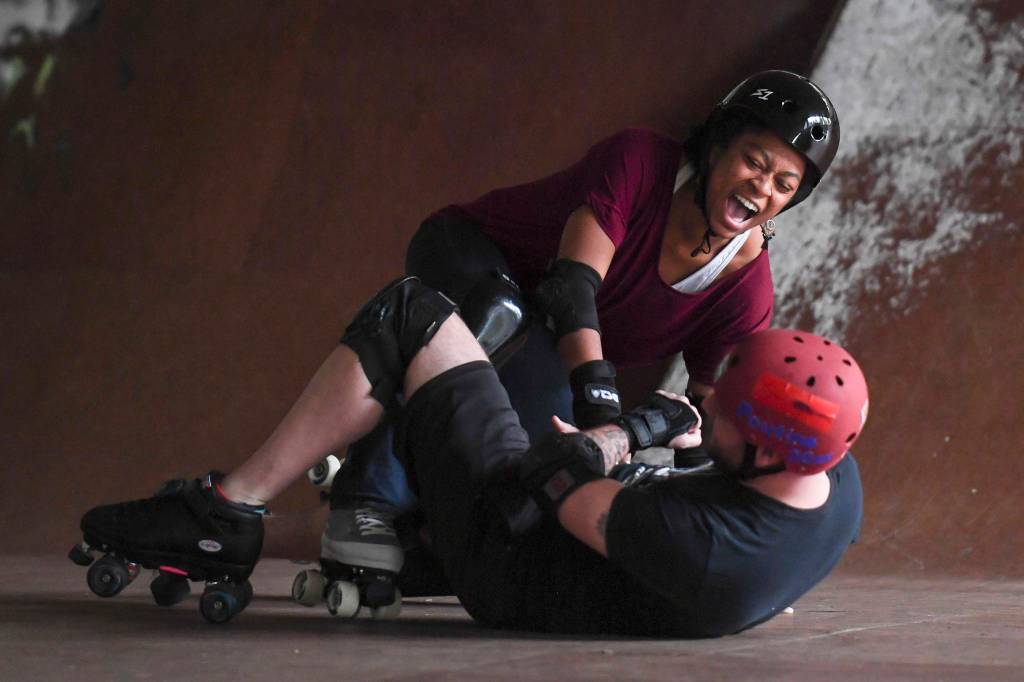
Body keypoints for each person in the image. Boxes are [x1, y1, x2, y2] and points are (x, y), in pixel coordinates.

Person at [70, 276, 867, 636]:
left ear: (768, 453)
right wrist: (685, 452)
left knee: (414, 314)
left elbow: (551, 479)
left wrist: (639, 428)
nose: (708, 403)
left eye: (724, 412)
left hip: (509, 561)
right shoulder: (831, 475)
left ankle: (228, 506)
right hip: (588, 558)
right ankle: (246, 539)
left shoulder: (703, 550)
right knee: (421, 466)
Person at [323, 69, 842, 599]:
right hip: (471, 256)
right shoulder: (641, 159)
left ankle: (414, 538)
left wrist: (717, 516)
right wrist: (602, 415)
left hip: (547, 346)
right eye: (754, 162)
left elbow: (715, 416)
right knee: (502, 317)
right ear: (716, 145)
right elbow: (569, 288)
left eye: (784, 184)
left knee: (535, 466)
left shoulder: (746, 291)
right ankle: (363, 501)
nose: (762, 187)